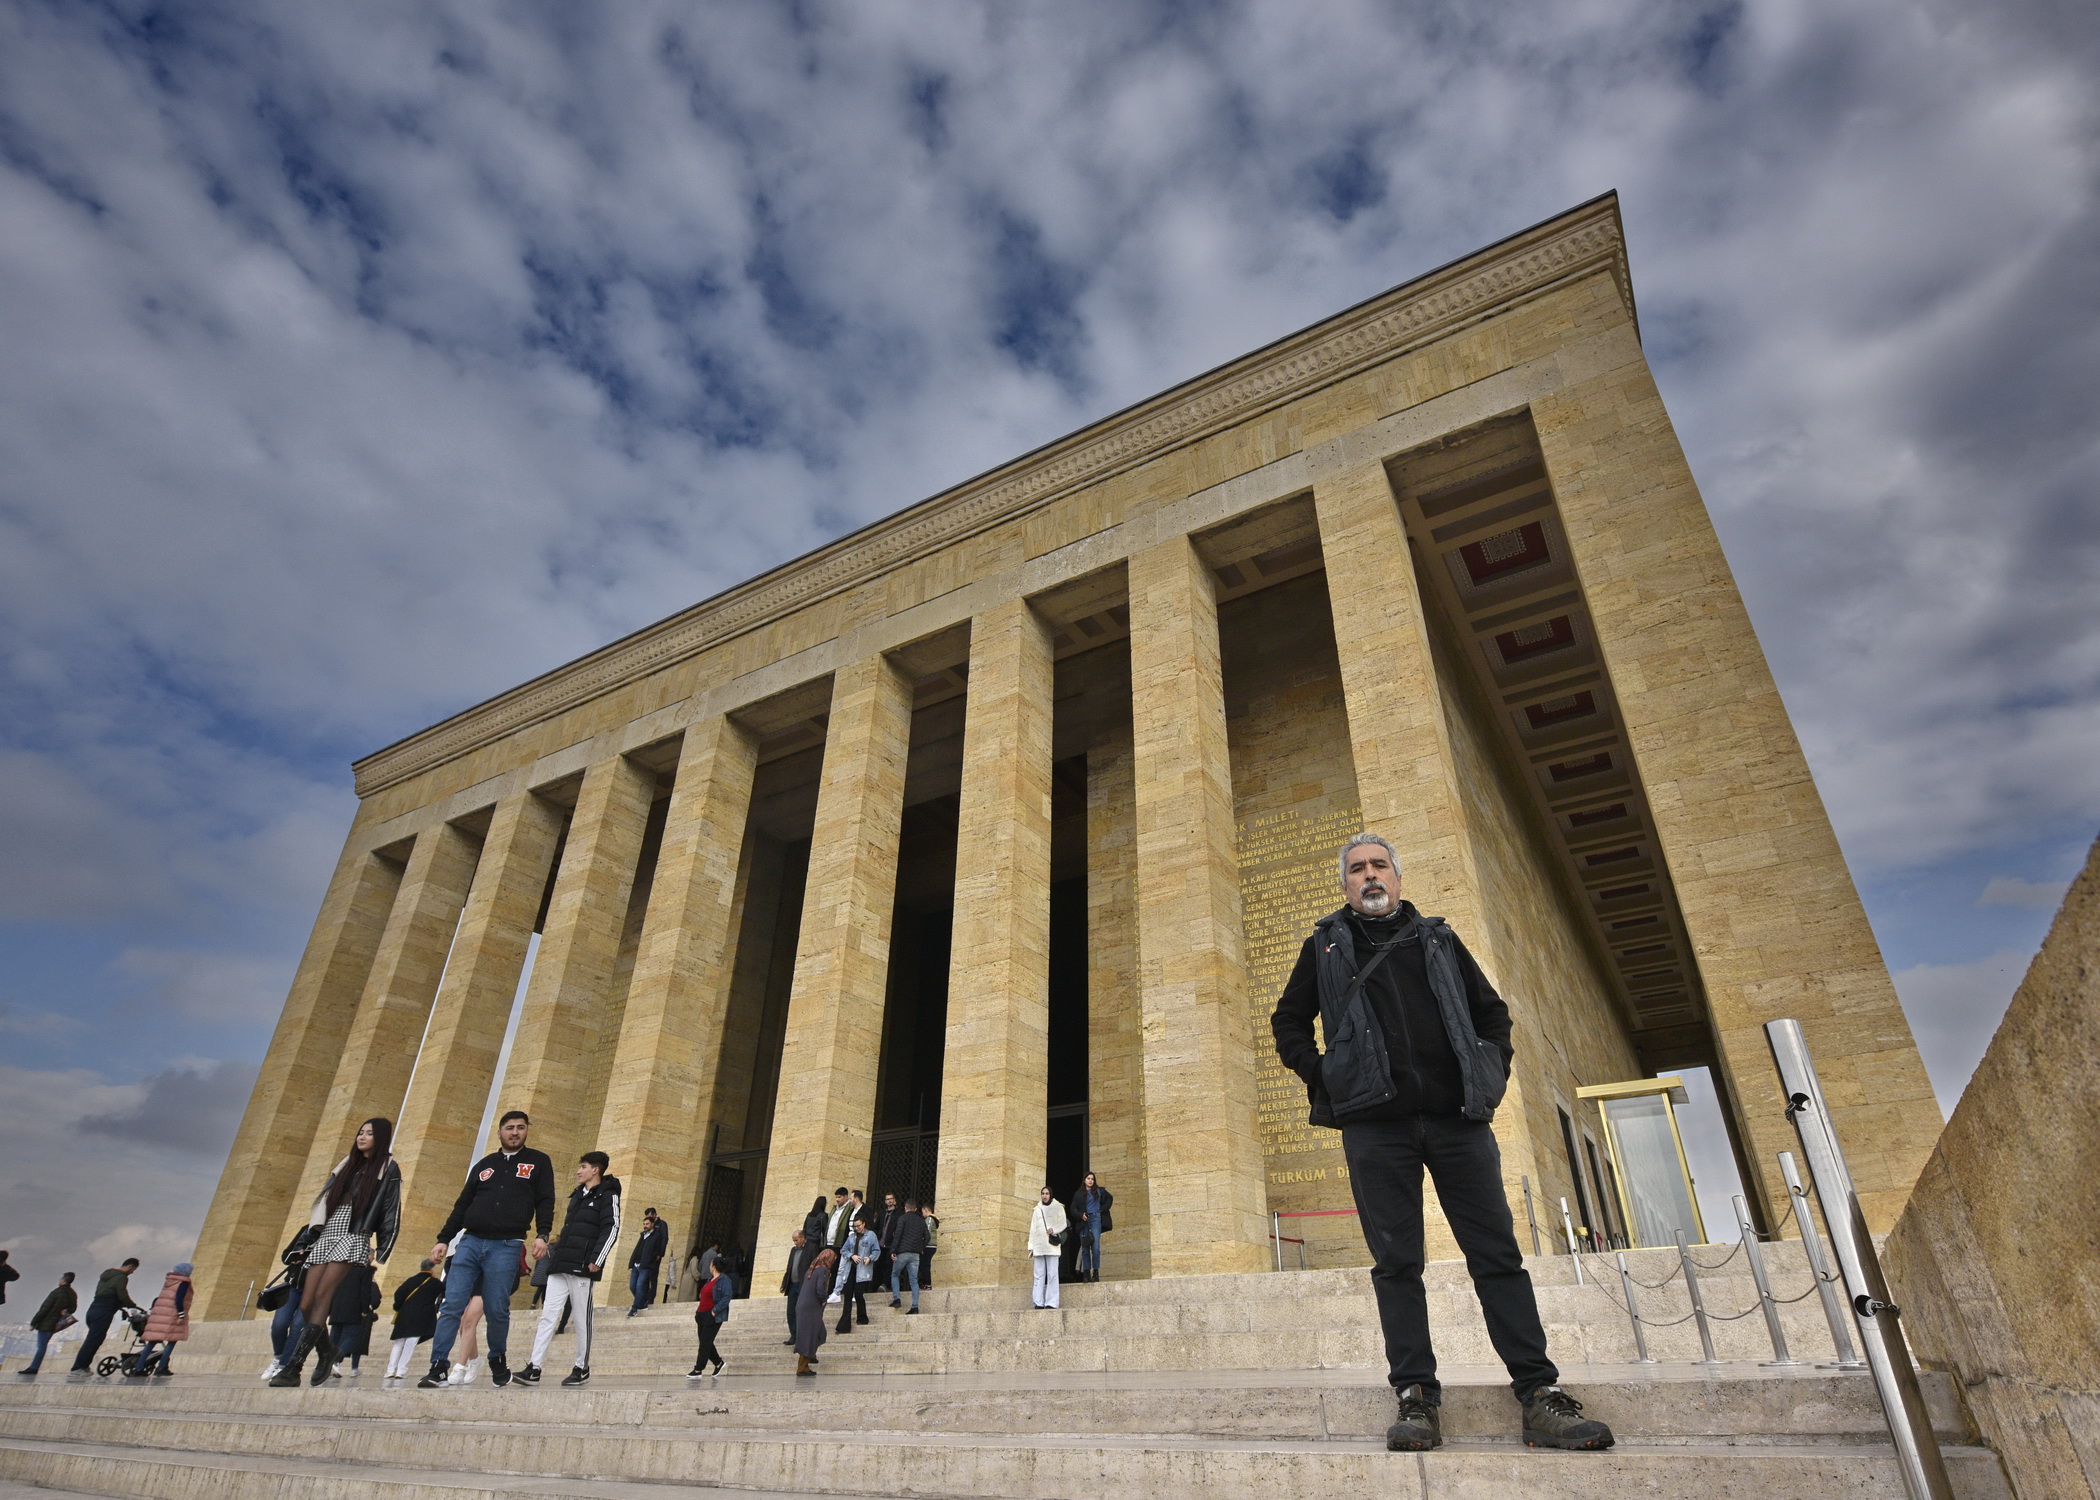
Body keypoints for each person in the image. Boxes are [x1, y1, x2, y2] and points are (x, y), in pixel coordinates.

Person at [1271, 832, 1614, 1453]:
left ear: (1397, 877)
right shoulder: (1323, 944)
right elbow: (1287, 1021)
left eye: (1379, 866)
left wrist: (1489, 1071)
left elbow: (1494, 1016)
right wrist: (1324, 1074)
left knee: (1497, 1257)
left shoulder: (1438, 938)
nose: (1369, 876)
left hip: (1458, 1123)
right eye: (1357, 870)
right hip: (1375, 1127)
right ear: (1344, 883)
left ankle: (1539, 1393)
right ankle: (1416, 1396)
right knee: (1397, 1264)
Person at [418, 1109, 555, 1389]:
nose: (514, 1132)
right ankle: (438, 1367)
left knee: (496, 1308)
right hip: (470, 1241)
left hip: (506, 1245)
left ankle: (497, 1360)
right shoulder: (484, 1165)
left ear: (527, 1130)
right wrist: (444, 1238)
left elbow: (545, 1200)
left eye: (519, 1127)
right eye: (509, 1128)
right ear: (500, 1132)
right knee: (452, 1305)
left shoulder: (538, 1162)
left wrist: (542, 1234)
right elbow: (463, 1204)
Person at [272, 1116, 401, 1387]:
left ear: (381, 1138)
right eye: (360, 1132)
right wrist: (307, 1240)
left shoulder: (388, 1168)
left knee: (323, 1296)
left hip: (354, 1233)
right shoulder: (346, 1165)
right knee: (306, 1303)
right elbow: (323, 1203)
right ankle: (327, 1350)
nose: (362, 1137)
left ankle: (293, 1369)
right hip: (328, 1231)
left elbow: (390, 1209)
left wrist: (384, 1245)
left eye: (369, 1133)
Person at [520, 1150, 622, 1387]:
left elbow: (612, 1227)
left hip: (584, 1265)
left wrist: (598, 1258)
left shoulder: (608, 1194)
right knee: (548, 1316)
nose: (578, 1171)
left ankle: (581, 1367)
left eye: (583, 1166)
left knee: (580, 1318)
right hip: (561, 1264)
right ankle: (534, 1367)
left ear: (595, 1170)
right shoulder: (577, 1196)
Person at [66, 1258, 140, 1379]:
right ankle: (78, 1367)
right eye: (133, 1270)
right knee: (93, 1341)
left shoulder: (106, 1275)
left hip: (93, 1309)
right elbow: (122, 1294)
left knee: (92, 1339)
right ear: (130, 1267)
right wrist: (132, 1305)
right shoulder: (122, 1277)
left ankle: (83, 1366)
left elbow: (107, 1292)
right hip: (104, 1311)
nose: (132, 1272)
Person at [129, 1263, 193, 1378]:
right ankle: (161, 1367)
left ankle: (138, 1367)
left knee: (152, 1343)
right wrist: (181, 1316)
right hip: (172, 1315)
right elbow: (179, 1300)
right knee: (171, 1342)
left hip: (159, 1316)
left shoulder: (169, 1281)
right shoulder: (183, 1282)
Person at [384, 1259, 443, 1383]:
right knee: (411, 1343)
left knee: (398, 1343)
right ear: (432, 1269)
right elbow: (445, 1290)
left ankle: (390, 1370)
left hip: (404, 1315)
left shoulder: (410, 1281)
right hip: (421, 1316)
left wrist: (397, 1307)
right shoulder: (434, 1283)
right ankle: (401, 1370)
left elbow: (398, 1295)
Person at [261, 1246, 309, 1381]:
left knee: (297, 1327)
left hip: (312, 1290)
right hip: (292, 1286)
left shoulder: (332, 1235)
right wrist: (294, 1257)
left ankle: (283, 1367)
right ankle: (278, 1357)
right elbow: (285, 1256)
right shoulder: (306, 1232)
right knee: (279, 1324)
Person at [327, 1265, 380, 1377]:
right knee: (353, 1336)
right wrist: (365, 1309)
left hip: (337, 1310)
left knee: (335, 1338)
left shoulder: (341, 1269)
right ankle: (335, 1361)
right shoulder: (364, 1271)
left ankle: (326, 1363)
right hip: (353, 1311)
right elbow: (366, 1293)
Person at [21, 1272, 78, 1376]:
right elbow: (73, 1308)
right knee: (43, 1345)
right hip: (57, 1324)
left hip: (46, 1323)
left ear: (64, 1280)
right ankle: (34, 1367)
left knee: (41, 1346)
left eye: (61, 1278)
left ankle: (34, 1367)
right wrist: (66, 1310)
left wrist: (34, 1322)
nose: (59, 1280)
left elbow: (44, 1308)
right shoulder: (72, 1293)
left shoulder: (56, 1292)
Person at [793, 1248, 836, 1376]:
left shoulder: (811, 1269)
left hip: (803, 1306)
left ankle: (811, 1355)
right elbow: (820, 1288)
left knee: (819, 1333)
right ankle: (802, 1367)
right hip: (811, 1307)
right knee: (810, 1336)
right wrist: (824, 1300)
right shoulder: (823, 1270)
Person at [688, 1256, 732, 1379]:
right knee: (705, 1342)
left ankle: (698, 1369)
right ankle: (718, 1363)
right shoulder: (710, 1280)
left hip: (712, 1315)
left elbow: (726, 1297)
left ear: (713, 1266)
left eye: (711, 1264)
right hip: (702, 1314)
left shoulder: (724, 1280)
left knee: (705, 1343)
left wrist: (715, 1310)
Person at [834, 1214, 878, 1333]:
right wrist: (851, 1255)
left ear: (864, 1223)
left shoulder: (871, 1235)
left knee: (858, 1294)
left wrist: (870, 1258)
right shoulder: (852, 1237)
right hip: (851, 1269)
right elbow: (844, 1249)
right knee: (848, 1295)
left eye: (859, 1225)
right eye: (855, 1226)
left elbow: (876, 1250)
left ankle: (862, 1317)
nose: (857, 1228)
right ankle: (844, 1324)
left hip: (863, 1270)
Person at [1067, 1173, 1113, 1283]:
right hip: (1084, 1221)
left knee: (1095, 1247)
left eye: (1092, 1179)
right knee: (1085, 1248)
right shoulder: (1079, 1194)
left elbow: (1110, 1199)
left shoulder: (1099, 1191)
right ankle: (1086, 1273)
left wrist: (1102, 1209)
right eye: (1088, 1178)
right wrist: (1081, 1215)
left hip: (1096, 1219)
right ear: (1084, 1180)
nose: (1090, 1181)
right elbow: (1073, 1209)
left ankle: (1095, 1272)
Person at [1027, 1187, 1068, 1310]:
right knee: (1038, 1275)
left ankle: (1052, 1302)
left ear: (1051, 1195)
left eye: (1047, 1193)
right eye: (1043, 1194)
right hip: (1039, 1246)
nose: (1045, 1196)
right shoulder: (1037, 1210)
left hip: (1051, 1246)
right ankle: (1038, 1302)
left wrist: (1054, 1230)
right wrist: (1031, 1246)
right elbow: (1033, 1229)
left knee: (1052, 1274)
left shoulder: (1058, 1207)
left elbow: (1063, 1223)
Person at [626, 1208, 668, 1316]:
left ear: (653, 1223)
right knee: (633, 1286)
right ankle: (643, 1301)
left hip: (647, 1264)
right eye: (644, 1223)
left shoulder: (658, 1233)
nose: (645, 1225)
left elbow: (662, 1242)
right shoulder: (642, 1235)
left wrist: (658, 1255)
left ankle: (635, 1308)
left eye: (647, 1223)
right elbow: (637, 1249)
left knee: (641, 1284)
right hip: (637, 1264)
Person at [889, 1198, 928, 1313]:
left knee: (895, 1274)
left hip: (903, 1252)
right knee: (914, 1281)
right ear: (915, 1209)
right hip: (915, 1254)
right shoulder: (921, 1221)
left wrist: (893, 1250)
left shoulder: (902, 1218)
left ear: (905, 1208)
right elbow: (928, 1237)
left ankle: (897, 1299)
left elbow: (898, 1235)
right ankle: (915, 1306)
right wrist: (921, 1247)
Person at [778, 1230, 815, 1347]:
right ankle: (793, 1334)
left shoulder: (811, 1248)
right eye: (793, 1240)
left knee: (802, 1311)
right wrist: (784, 1283)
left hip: (804, 1285)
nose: (795, 1243)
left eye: (796, 1240)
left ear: (803, 1238)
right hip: (793, 1285)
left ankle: (802, 1336)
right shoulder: (793, 1250)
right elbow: (789, 1268)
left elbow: (814, 1266)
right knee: (791, 1311)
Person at [919, 1202, 939, 1287]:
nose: (922, 1214)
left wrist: (922, 1245)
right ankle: (926, 1283)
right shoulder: (932, 1219)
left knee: (925, 1265)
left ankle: (926, 1283)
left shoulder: (929, 1219)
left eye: (923, 1212)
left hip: (929, 1245)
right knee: (925, 1264)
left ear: (926, 1210)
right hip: (930, 1245)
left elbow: (927, 1232)